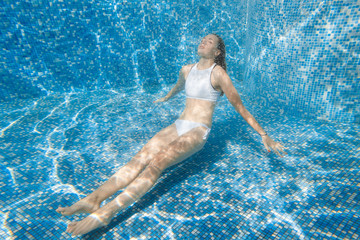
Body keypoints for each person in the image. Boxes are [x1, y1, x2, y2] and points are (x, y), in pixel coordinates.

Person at [56, 33, 287, 236]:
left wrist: (264, 135)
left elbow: (240, 107)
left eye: (210, 41)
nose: (203, 41)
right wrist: (167, 97)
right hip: (180, 124)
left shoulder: (219, 75)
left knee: (157, 164)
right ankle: (95, 198)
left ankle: (107, 212)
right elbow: (178, 86)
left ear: (216, 52)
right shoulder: (187, 69)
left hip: (198, 130)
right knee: (140, 157)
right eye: (203, 39)